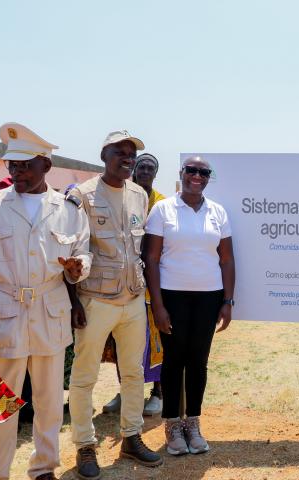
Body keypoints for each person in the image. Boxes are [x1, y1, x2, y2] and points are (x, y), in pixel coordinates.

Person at [0, 122, 91, 480]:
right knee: (1, 404)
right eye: (11, 165)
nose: (17, 172)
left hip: (50, 310)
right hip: (2, 313)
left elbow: (81, 254)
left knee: (48, 403)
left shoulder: (69, 209)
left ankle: (44, 467)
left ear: (46, 164)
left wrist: (77, 269)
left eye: (25, 164)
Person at [68, 130, 162, 479]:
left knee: (134, 372)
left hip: (133, 299)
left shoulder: (139, 194)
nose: (127, 158)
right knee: (85, 376)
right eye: (120, 152)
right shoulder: (83, 196)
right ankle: (84, 447)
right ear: (104, 155)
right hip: (96, 300)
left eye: (131, 154)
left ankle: (131, 436)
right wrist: (75, 285)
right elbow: (77, 247)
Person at [144, 156, 235, 456]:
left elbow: (226, 259)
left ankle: (192, 422)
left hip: (209, 298)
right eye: (192, 171)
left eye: (203, 172)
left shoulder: (217, 212)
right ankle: (172, 424)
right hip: (172, 297)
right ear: (182, 173)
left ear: (209, 177)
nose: (197, 176)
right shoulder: (163, 210)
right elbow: (152, 260)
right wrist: (157, 305)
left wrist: (227, 301)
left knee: (198, 362)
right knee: (173, 361)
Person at [100, 153, 166, 416]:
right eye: (142, 166)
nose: (146, 170)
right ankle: (126, 391)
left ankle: (158, 393)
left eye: (151, 167)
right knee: (121, 340)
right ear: (135, 169)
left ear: (155, 173)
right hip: (122, 282)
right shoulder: (123, 196)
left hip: (154, 283)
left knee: (156, 339)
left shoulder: (160, 204)